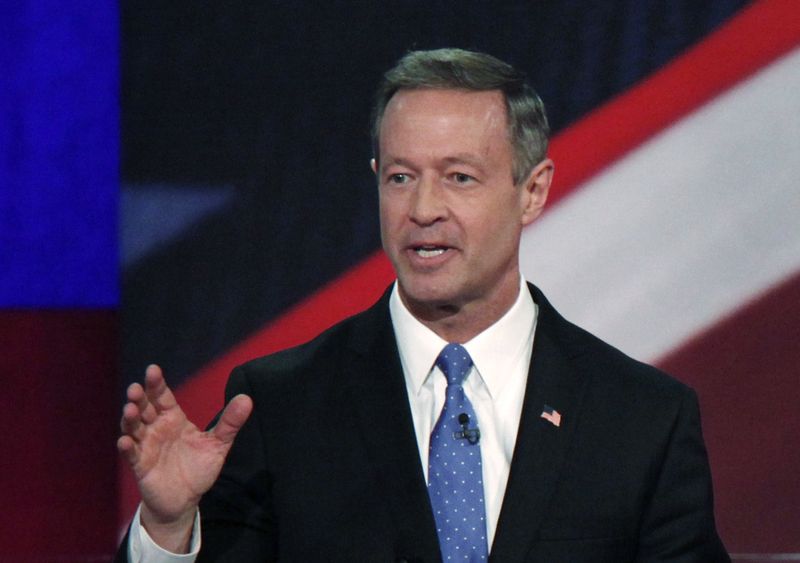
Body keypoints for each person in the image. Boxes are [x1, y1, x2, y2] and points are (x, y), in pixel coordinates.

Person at [117, 48, 730, 562]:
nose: (422, 210)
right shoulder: (280, 407)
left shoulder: (642, 420)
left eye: (459, 177)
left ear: (533, 191)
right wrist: (168, 531)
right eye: (401, 178)